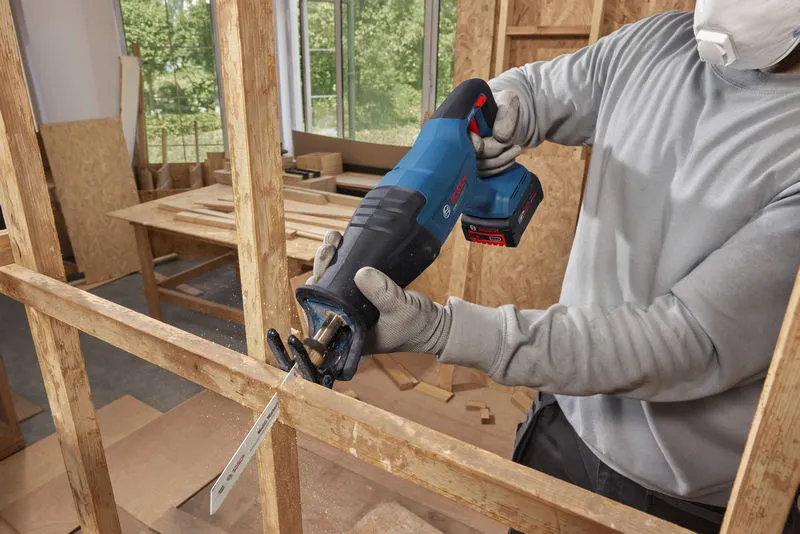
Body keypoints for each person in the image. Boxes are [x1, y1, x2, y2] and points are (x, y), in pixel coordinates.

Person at [308, 2, 800, 532]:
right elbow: (537, 88)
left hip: (680, 495)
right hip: (563, 417)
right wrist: (510, 107)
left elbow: (685, 341)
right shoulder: (660, 41)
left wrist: (445, 331)